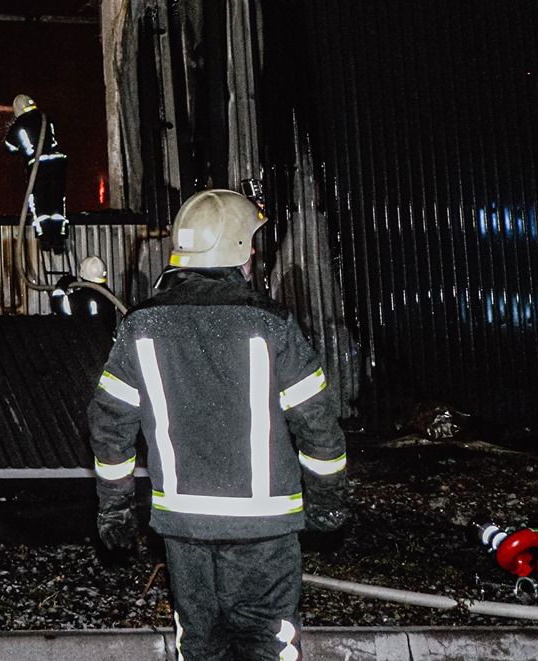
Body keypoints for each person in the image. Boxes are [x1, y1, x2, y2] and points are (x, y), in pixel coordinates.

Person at [88, 188, 351, 661]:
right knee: (267, 645)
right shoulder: (271, 324)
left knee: (200, 645)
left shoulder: (140, 326)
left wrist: (115, 509)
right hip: (264, 530)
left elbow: (110, 426)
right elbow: (318, 426)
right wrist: (327, 503)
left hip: (183, 528)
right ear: (241, 251)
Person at [5, 93, 70, 253]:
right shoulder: (46, 118)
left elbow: (9, 147)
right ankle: (59, 238)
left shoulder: (19, 124)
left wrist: (23, 149)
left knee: (39, 202)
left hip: (37, 166)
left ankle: (45, 238)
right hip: (57, 163)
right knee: (56, 200)